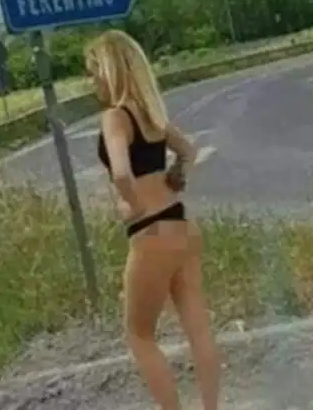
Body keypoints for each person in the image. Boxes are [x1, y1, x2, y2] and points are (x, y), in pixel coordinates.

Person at [83, 29, 221, 410]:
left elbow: (121, 172)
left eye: (93, 72)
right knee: (199, 330)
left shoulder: (115, 117)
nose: (91, 82)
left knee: (140, 336)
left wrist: (130, 203)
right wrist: (176, 177)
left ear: (110, 71)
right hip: (180, 225)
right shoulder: (152, 114)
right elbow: (188, 151)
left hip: (150, 231)